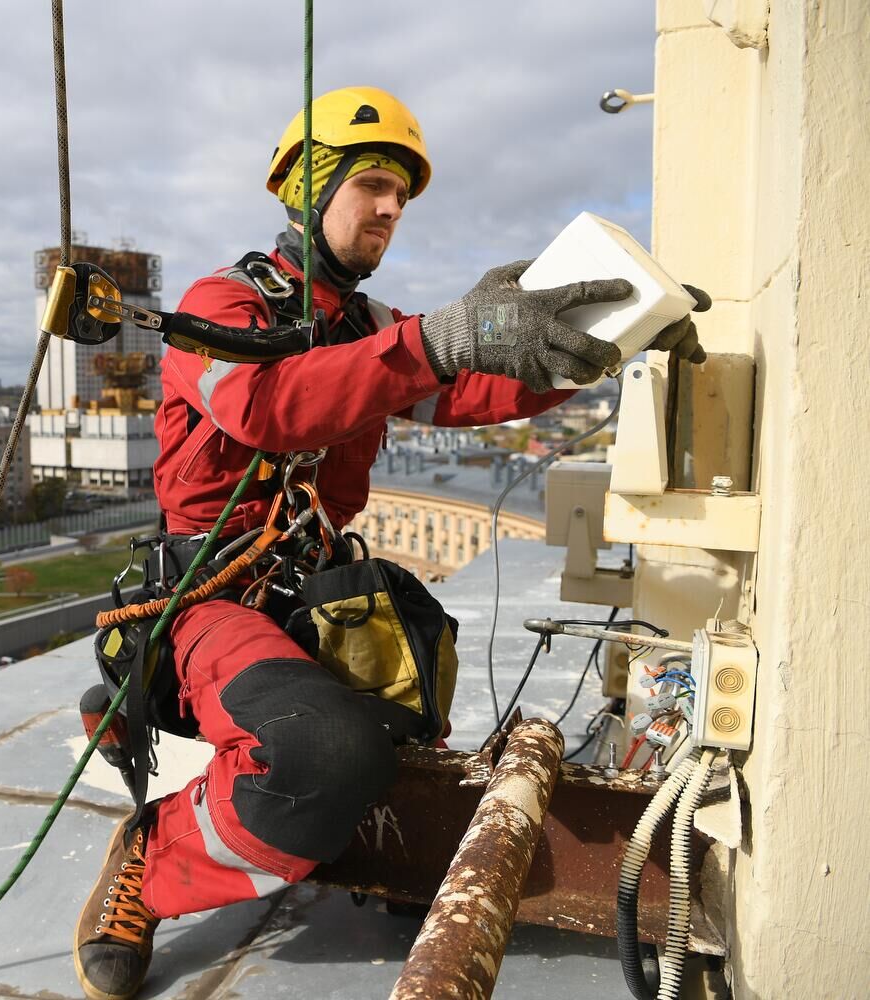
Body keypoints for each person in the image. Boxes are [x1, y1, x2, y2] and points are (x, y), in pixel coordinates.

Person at [72, 85, 709, 1000]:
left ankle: (368, 843)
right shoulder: (222, 306)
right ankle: (154, 854)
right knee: (325, 754)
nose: (390, 210)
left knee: (415, 723)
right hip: (211, 600)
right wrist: (444, 339)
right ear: (305, 186)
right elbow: (265, 405)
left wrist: (597, 342)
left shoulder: (364, 329)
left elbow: (467, 392)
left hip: (316, 591)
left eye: (402, 196)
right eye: (373, 183)